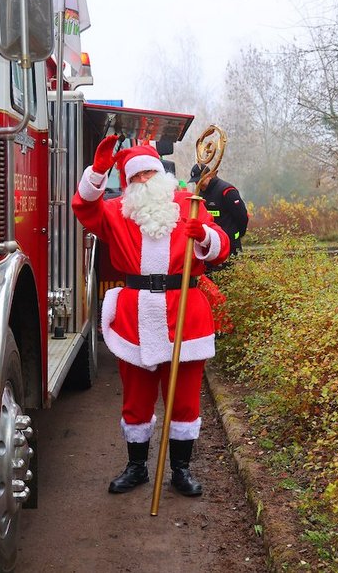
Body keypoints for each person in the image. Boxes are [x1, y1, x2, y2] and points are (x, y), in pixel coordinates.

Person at [72, 135, 230, 497]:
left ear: (161, 174)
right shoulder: (116, 211)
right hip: (136, 316)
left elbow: (221, 249)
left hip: (184, 311)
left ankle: (181, 470)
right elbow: (83, 207)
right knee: (137, 397)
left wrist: (204, 234)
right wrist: (98, 172)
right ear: (127, 184)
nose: (143, 180)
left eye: (148, 173)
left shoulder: (189, 205)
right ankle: (137, 467)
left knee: (185, 399)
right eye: (135, 177)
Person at [189, 163, 249, 259]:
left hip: (229, 243)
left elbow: (242, 217)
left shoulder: (227, 191)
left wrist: (238, 234)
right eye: (195, 182)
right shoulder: (199, 193)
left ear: (209, 176)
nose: (198, 184)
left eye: (200, 181)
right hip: (210, 244)